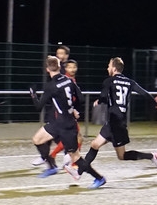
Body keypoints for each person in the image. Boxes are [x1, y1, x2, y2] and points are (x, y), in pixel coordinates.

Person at [78, 57, 157, 177]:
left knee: (122, 156)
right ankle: (78, 172)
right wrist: (156, 104)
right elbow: (144, 93)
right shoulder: (129, 82)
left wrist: (99, 101)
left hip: (116, 124)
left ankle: (151, 156)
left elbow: (103, 96)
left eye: (109, 66)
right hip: (116, 122)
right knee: (95, 145)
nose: (107, 68)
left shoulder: (109, 81)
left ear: (114, 68)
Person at [30, 55, 106, 188]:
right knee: (37, 139)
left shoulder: (50, 86)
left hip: (65, 126)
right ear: (60, 67)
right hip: (59, 123)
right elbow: (81, 99)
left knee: (75, 157)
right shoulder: (69, 80)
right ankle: (52, 166)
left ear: (47, 69)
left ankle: (99, 178)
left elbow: (38, 107)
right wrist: (75, 110)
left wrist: (33, 95)